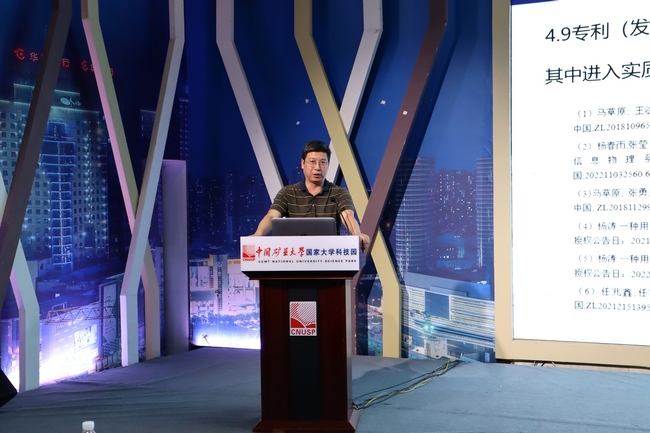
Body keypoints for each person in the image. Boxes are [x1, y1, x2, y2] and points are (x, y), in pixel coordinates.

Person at [252, 139, 370, 252]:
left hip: (328, 256)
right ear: (303, 163)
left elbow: (348, 216)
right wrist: (258, 235)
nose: (317, 167)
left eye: (322, 162)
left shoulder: (339, 193)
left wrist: (357, 234)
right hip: (295, 256)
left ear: (328, 164)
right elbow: (272, 216)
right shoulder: (288, 193)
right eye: (312, 162)